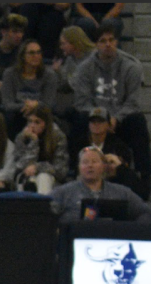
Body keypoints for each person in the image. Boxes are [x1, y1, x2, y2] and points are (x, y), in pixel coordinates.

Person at [69, 23, 150, 183]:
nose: (108, 44)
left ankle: (144, 175)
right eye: (102, 40)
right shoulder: (84, 69)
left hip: (120, 118)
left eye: (111, 40)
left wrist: (116, 118)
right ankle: (73, 170)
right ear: (96, 44)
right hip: (96, 117)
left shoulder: (131, 67)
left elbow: (133, 101)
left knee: (138, 121)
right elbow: (82, 101)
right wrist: (102, 118)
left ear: (117, 42)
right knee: (77, 118)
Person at [51, 144, 151, 224]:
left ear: (103, 166)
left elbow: (146, 212)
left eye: (94, 161)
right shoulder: (63, 192)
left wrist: (133, 232)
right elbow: (45, 214)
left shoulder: (122, 192)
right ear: (79, 167)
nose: (90, 165)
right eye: (85, 162)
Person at [0, 39, 58, 136]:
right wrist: (28, 106)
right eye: (31, 53)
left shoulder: (49, 75)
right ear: (22, 56)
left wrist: (36, 105)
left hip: (41, 114)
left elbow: (49, 104)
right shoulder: (10, 74)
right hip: (17, 114)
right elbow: (7, 104)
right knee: (9, 116)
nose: (36, 56)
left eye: (38, 52)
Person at [85, 106, 144, 197]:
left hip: (111, 187)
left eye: (100, 121)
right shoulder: (79, 143)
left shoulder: (119, 146)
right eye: (93, 121)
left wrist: (118, 167)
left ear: (108, 125)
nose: (96, 124)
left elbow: (128, 175)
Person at [14, 103, 69, 194]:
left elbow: (60, 171)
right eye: (30, 121)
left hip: (52, 181)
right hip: (26, 178)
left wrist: (38, 167)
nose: (32, 125)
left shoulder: (58, 137)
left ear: (46, 123)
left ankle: (43, 206)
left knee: (43, 177)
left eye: (37, 122)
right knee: (28, 179)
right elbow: (19, 166)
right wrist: (33, 143)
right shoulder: (22, 137)